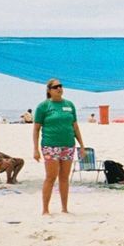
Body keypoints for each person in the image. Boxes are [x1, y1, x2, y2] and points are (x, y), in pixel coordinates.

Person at [32, 79, 85, 215]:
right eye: (56, 87)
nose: (59, 88)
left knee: (64, 177)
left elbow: (75, 126)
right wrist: (35, 149)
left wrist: (82, 145)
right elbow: (36, 129)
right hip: (50, 145)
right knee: (51, 176)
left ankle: (64, 208)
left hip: (68, 145)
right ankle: (45, 209)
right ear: (49, 90)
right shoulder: (43, 107)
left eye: (61, 86)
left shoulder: (69, 105)